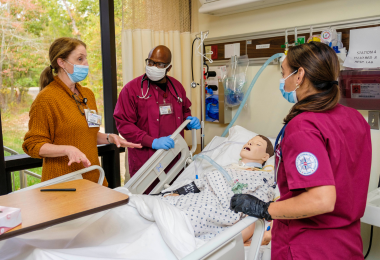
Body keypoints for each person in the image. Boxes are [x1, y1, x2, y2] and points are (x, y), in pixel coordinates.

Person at [230, 42, 372, 259]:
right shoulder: (354, 118)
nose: (282, 80)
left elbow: (321, 200)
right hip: (347, 245)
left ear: (300, 76)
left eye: (283, 73)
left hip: (307, 246)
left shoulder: (303, 126)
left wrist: (264, 208)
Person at [23, 37, 142, 186]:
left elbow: (87, 133)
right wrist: (67, 150)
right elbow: (32, 144)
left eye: (85, 58)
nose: (85, 64)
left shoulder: (87, 95)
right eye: (80, 59)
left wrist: (109, 138)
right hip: (63, 184)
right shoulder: (46, 99)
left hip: (93, 179)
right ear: (61, 62)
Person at [159, 135, 275, 241]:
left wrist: (237, 242)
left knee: (171, 221)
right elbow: (200, 183)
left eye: (257, 144)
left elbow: (256, 212)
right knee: (160, 206)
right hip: (199, 198)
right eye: (249, 141)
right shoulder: (227, 168)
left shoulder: (264, 178)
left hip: (217, 210)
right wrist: (177, 192)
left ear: (265, 156)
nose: (249, 143)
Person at [114, 45, 200, 179]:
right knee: (147, 196)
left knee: (175, 194)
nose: (153, 67)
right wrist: (151, 141)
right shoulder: (132, 90)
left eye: (159, 64)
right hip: (145, 159)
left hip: (174, 157)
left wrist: (188, 121)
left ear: (168, 68)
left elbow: (184, 111)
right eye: (150, 62)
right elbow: (124, 124)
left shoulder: (177, 87)